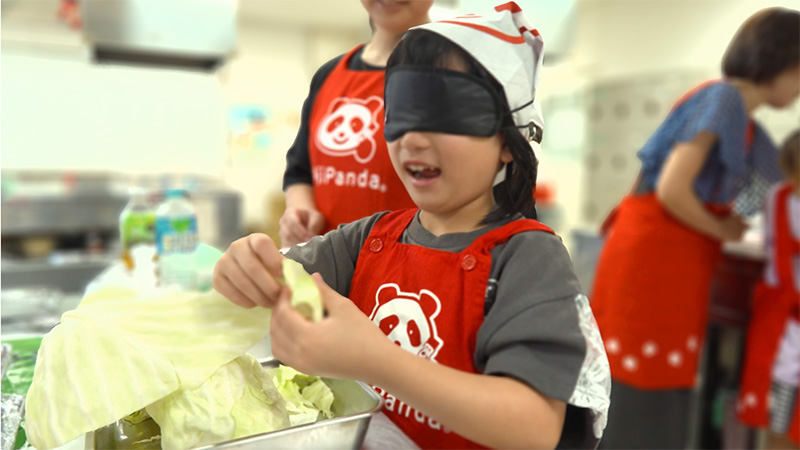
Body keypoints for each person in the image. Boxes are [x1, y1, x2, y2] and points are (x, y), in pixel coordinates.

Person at [213, 3, 611, 449]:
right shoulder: (370, 239)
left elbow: (533, 428)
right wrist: (245, 266)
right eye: (402, 115)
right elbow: (277, 277)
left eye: (449, 117)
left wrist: (376, 360)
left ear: (509, 140)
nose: (414, 139)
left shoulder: (527, 259)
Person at [590, 7, 800, 450]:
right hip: (653, 259)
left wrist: (725, 224)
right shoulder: (723, 100)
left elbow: (777, 186)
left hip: (677, 261)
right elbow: (672, 189)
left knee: (663, 380)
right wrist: (721, 229)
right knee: (634, 385)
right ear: (780, 61)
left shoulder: (751, 130)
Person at [279, 0, 432, 248]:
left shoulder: (451, 73)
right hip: (326, 265)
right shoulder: (329, 74)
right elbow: (300, 170)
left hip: (404, 268)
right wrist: (299, 213)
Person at [737, 130, 800, 449]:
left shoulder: (779, 196)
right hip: (783, 315)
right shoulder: (778, 198)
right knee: (779, 407)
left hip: (783, 312)